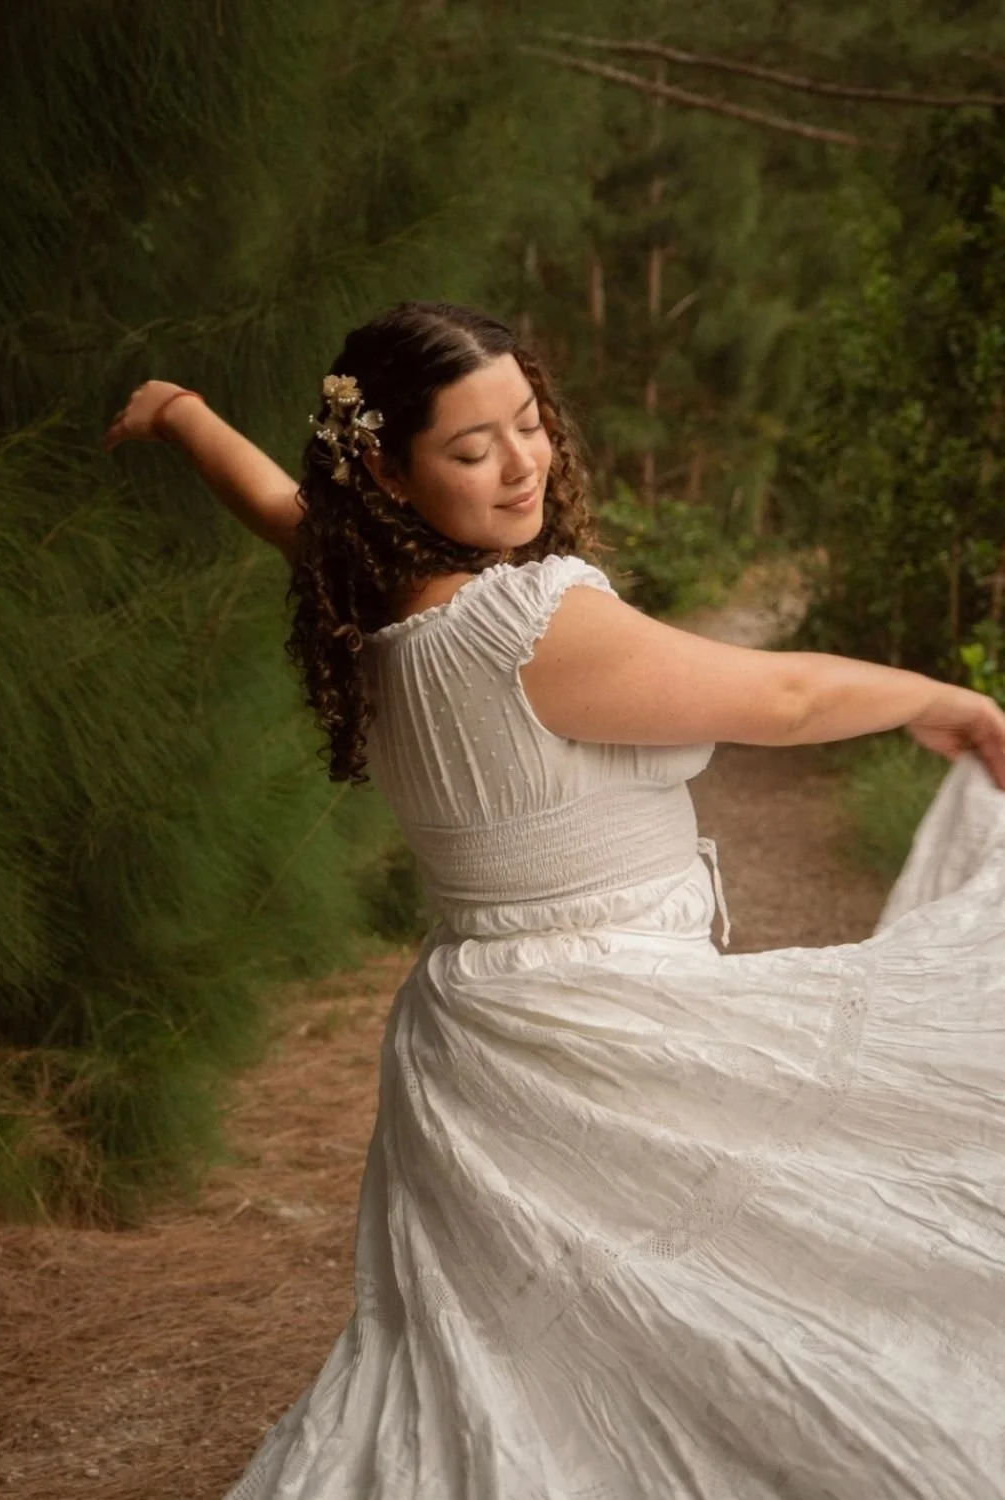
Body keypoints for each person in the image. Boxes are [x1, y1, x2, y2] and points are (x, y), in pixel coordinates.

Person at [105, 302, 1005, 1499]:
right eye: (473, 450)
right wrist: (944, 700)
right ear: (385, 466)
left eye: (529, 423)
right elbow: (780, 701)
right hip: (603, 1022)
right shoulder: (523, 621)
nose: (523, 462)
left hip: (475, 1036)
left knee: (590, 1345)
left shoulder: (363, 589)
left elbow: (281, 505)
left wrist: (180, 414)